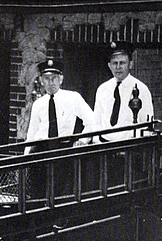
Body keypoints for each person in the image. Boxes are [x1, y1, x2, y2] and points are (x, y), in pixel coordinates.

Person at [24, 59, 96, 197]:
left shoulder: (73, 98)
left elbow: (92, 121)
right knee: (39, 194)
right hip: (41, 152)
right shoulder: (38, 104)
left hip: (63, 151)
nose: (51, 83)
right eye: (47, 78)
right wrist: (25, 158)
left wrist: (83, 140)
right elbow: (32, 134)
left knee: (61, 193)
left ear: (61, 79)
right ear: (41, 80)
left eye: (54, 78)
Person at [93, 41, 155, 142]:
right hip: (104, 147)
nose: (118, 67)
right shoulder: (102, 89)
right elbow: (96, 121)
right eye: (114, 63)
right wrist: (97, 142)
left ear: (130, 64)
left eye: (122, 63)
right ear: (109, 66)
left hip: (128, 148)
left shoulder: (141, 89)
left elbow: (146, 125)